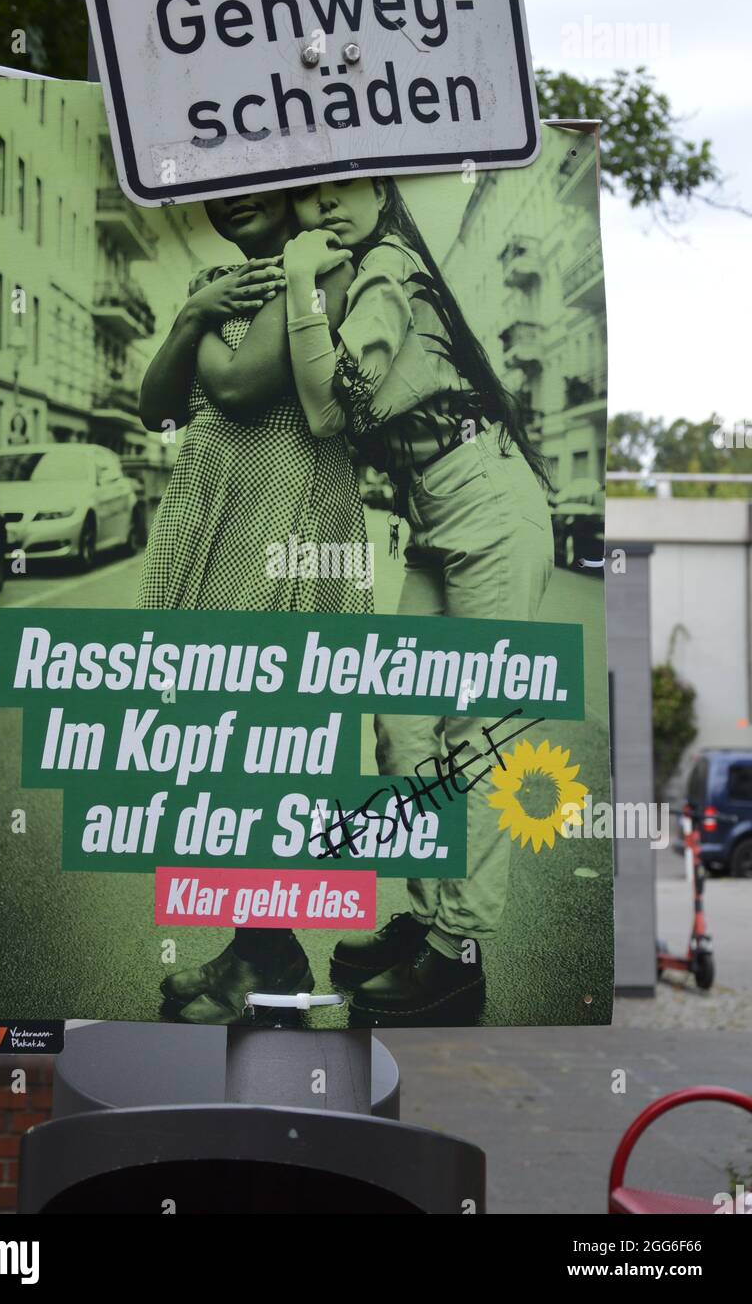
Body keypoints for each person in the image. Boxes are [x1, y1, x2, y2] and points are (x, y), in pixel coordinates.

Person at [281, 177, 555, 1025]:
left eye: (343, 187)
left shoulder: (387, 267)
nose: (325, 206)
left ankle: (459, 953)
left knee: (475, 740)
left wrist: (294, 283)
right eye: (307, 194)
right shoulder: (363, 271)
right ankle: (432, 919)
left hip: (487, 503)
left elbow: (334, 410)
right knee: (399, 722)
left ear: (380, 189)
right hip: (433, 514)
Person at [138, 189, 371, 1025]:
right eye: (216, 188)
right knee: (217, 743)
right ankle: (256, 950)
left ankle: (272, 968)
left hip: (286, 516)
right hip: (214, 511)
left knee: (265, 745)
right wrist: (191, 314)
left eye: (252, 183)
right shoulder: (213, 281)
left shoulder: (324, 267)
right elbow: (155, 407)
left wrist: (197, 323)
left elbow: (237, 389)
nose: (231, 199)